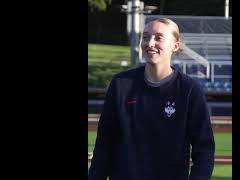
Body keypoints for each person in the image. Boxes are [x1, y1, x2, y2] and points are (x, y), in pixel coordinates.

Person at [88, 18, 215, 180]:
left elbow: (204, 150)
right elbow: (104, 144)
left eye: (159, 38)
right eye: (146, 37)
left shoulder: (190, 90)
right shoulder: (121, 84)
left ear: (175, 45)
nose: (150, 43)